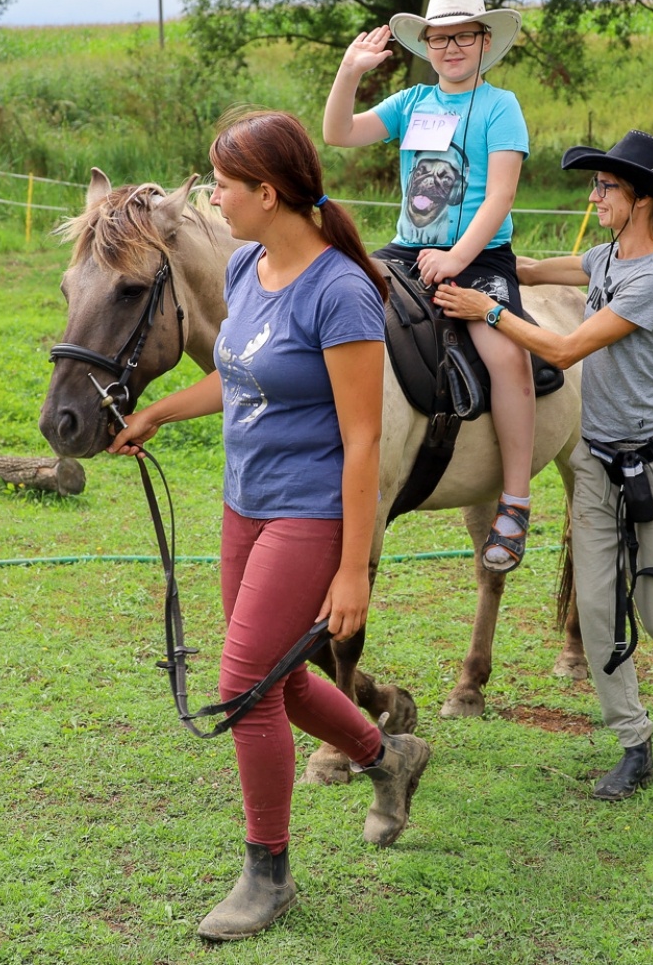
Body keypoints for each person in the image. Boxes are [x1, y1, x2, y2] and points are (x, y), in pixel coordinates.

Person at [109, 110, 432, 940]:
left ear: (268, 191)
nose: (212, 196)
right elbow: (240, 375)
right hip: (243, 504)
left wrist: (353, 568)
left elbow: (363, 439)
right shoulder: (251, 265)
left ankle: (269, 873)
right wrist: (160, 413)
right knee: (278, 682)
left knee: (243, 688)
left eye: (222, 183)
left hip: (310, 512)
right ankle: (387, 755)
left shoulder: (342, 292)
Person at [432, 129, 653, 801]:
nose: (594, 195)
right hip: (598, 460)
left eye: (604, 186)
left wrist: (486, 309)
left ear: (640, 199)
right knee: (596, 606)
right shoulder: (608, 255)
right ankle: (633, 744)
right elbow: (534, 269)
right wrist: (477, 259)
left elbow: (564, 348)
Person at [323, 0, 537, 573]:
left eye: (462, 36)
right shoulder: (412, 103)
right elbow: (338, 133)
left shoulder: (501, 107)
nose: (451, 48)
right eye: (440, 38)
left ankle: (515, 500)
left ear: (483, 40)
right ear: (427, 45)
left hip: (478, 255)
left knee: (507, 356)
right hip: (405, 251)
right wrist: (350, 72)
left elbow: (500, 196)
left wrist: (457, 259)